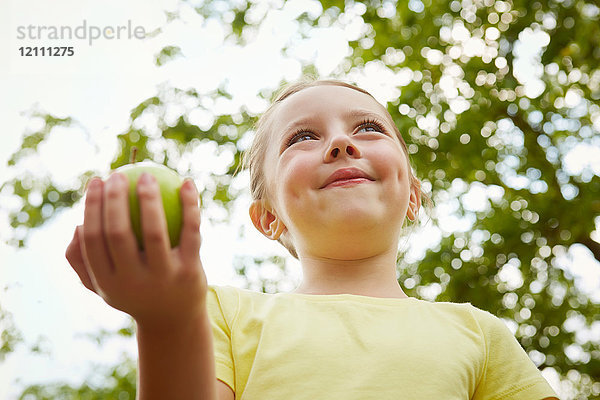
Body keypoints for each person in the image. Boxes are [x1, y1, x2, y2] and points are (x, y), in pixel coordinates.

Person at [65, 78, 559, 400]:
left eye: (368, 129)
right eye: (302, 137)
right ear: (268, 218)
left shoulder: (480, 333)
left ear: (413, 194)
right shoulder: (219, 314)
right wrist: (167, 321)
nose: (342, 144)